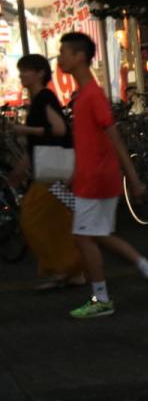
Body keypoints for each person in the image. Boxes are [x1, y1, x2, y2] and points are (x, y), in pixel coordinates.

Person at [57, 32, 148, 318]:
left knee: (85, 237)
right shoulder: (86, 94)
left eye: (64, 52)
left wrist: (133, 178)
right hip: (95, 177)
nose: (60, 58)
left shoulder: (91, 95)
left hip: (96, 179)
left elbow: (114, 137)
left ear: (79, 56)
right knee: (98, 235)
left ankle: (102, 298)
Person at [11, 53, 84, 288]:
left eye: (26, 70)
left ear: (40, 73)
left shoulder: (44, 97)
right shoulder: (40, 99)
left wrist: (25, 130)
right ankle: (71, 269)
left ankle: (64, 268)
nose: (21, 75)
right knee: (59, 219)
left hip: (50, 174)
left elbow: (60, 129)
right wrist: (23, 165)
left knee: (32, 219)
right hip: (49, 172)